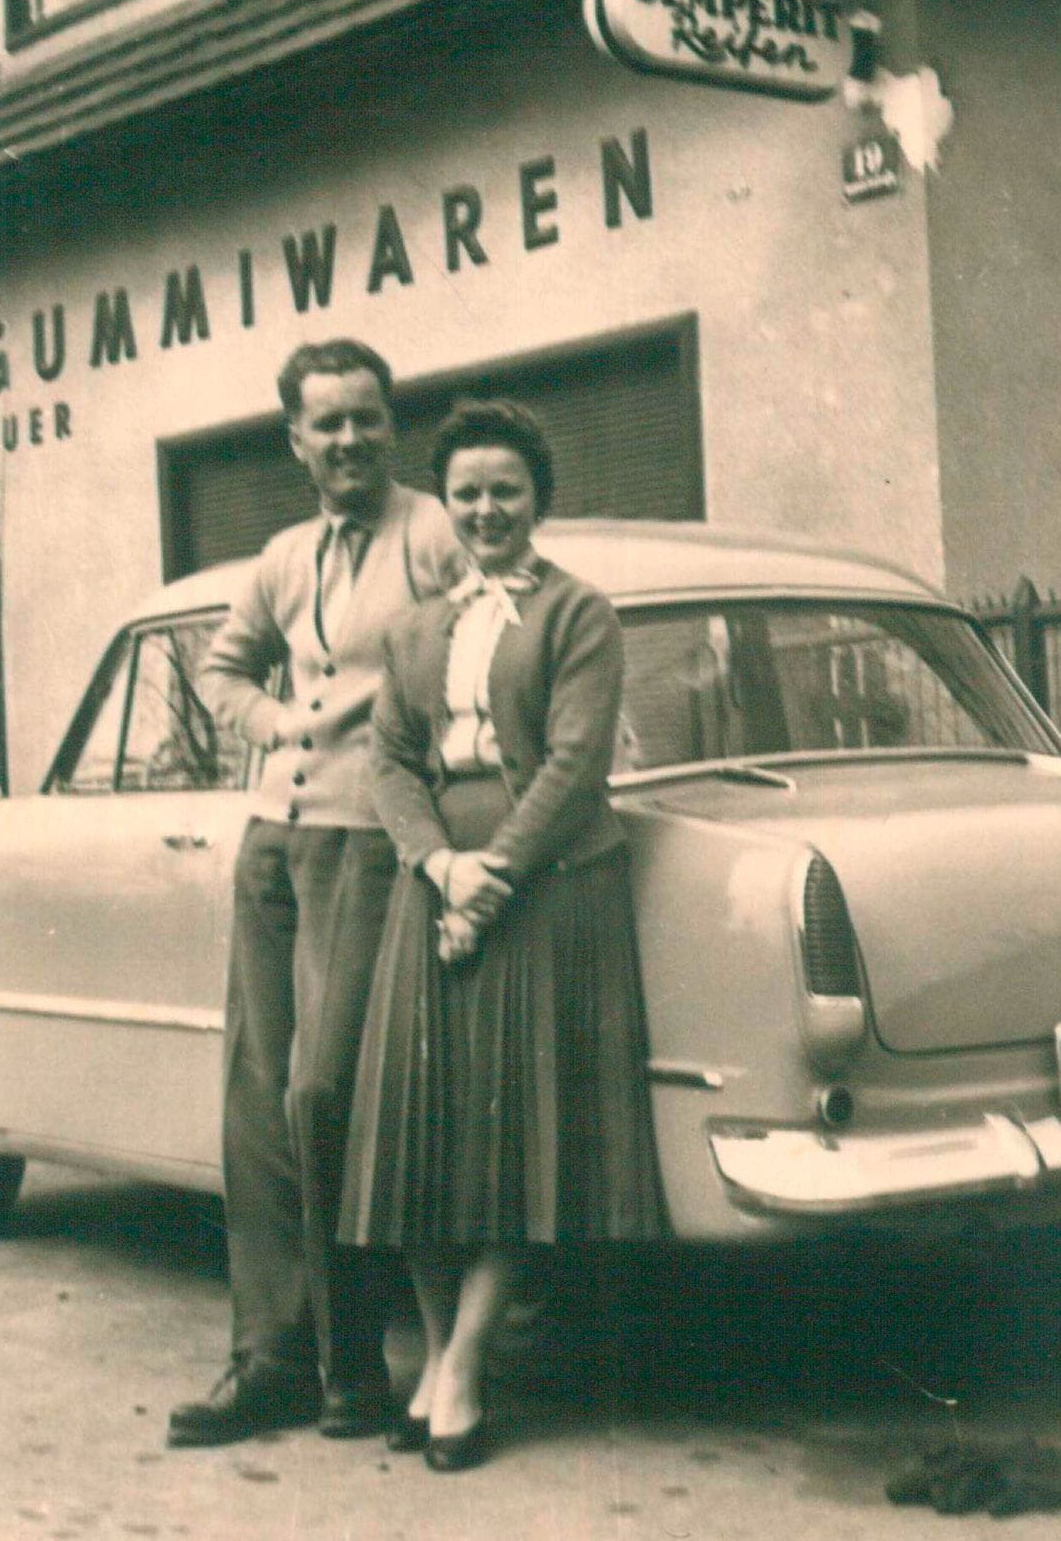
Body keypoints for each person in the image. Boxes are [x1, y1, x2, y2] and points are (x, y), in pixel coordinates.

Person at [338, 398, 663, 1472]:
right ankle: (436, 1356)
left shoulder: (579, 613)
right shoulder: (415, 627)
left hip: (549, 889)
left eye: (505, 490)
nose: (485, 509)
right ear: (448, 502)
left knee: (518, 1145)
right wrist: (439, 864)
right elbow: (389, 760)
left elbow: (575, 763)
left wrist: (490, 880)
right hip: (432, 883)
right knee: (422, 1138)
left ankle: (467, 1365)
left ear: (538, 499)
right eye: (466, 492)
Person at [167, 339, 462, 1449]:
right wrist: (273, 721)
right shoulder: (284, 555)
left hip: (369, 842)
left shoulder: (432, 532)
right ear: (294, 439)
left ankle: (353, 1367)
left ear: (393, 425)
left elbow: (488, 644)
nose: (348, 439)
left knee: (323, 1091)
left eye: (366, 418)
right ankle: (272, 1360)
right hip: (272, 843)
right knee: (255, 1101)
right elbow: (222, 666)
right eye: (326, 422)